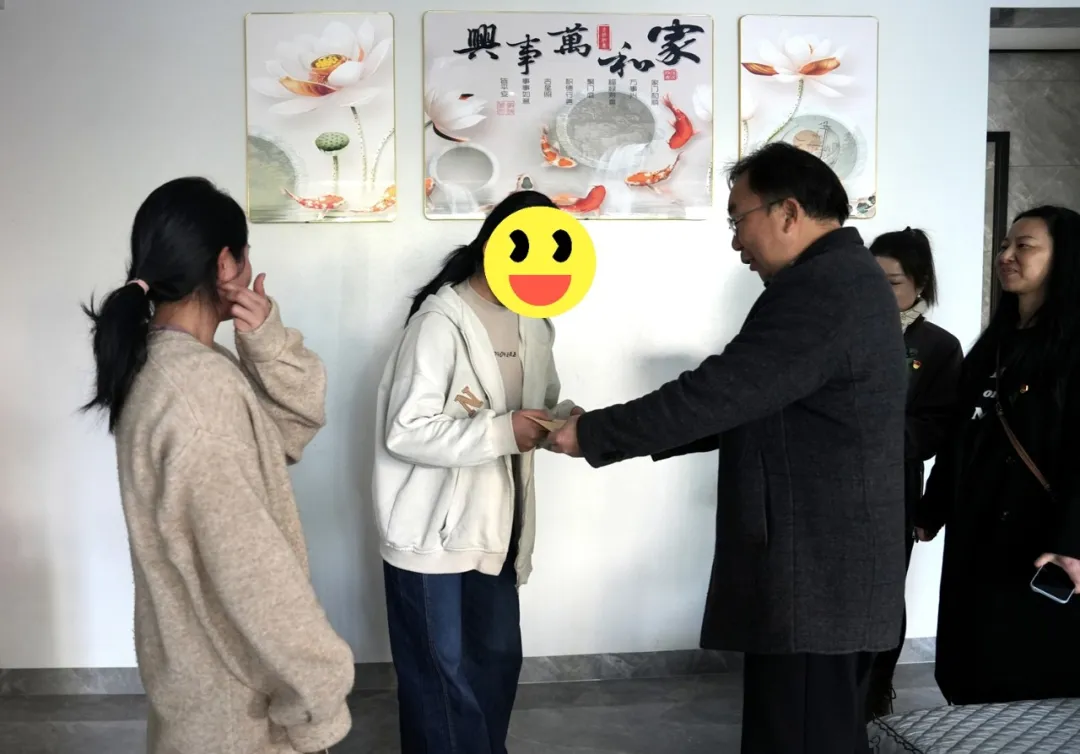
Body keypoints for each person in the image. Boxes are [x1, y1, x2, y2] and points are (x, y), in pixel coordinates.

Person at [548, 142, 907, 754]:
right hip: (828, 575)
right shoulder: (843, 279)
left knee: (799, 736)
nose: (737, 242)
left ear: (788, 212)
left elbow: (720, 393)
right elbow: (753, 403)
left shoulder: (824, 288)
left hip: (816, 577)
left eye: (739, 219)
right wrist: (599, 428)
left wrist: (592, 435)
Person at [81, 177, 354, 754]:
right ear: (226, 263)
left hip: (201, 683)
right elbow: (251, 571)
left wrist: (267, 342)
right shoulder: (196, 392)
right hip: (237, 709)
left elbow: (285, 436)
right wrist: (321, 691)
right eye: (244, 256)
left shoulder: (167, 363)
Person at [372, 190, 580, 754]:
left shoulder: (536, 323)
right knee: (440, 679)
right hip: (431, 533)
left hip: (497, 529)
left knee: (495, 663)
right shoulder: (438, 324)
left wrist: (563, 420)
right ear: (495, 245)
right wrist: (503, 431)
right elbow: (405, 430)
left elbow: (534, 406)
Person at [914, 206, 1080, 705]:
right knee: (970, 662)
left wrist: (1072, 542)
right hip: (977, 531)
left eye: (1024, 246)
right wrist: (931, 509)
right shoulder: (995, 345)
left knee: (1027, 675)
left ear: (1065, 258)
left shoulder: (1073, 348)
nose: (1006, 255)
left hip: (1039, 540)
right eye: (1005, 245)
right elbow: (961, 434)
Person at [863, 228, 963, 718]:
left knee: (883, 596)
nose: (878, 292)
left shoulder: (938, 347)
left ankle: (874, 691)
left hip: (891, 489)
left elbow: (940, 427)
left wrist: (873, 434)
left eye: (892, 282)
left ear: (920, 284)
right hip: (827, 488)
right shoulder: (839, 329)